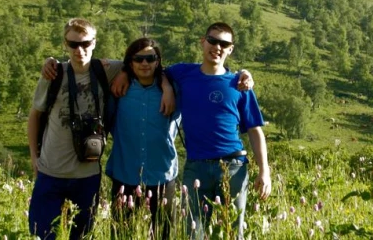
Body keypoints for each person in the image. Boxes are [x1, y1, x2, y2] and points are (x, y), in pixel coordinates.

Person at [113, 22, 271, 240]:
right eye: (213, 41)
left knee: (233, 231)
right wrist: (165, 86)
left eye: (224, 43)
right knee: (192, 232)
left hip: (233, 166)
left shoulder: (240, 84)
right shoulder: (183, 73)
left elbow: (255, 130)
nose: (217, 47)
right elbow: (155, 69)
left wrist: (265, 171)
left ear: (231, 49)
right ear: (203, 42)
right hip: (196, 167)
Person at [27, 18, 116, 240]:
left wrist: (165, 86)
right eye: (73, 44)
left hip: (87, 175)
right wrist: (33, 156)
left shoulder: (107, 70)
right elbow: (35, 116)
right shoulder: (53, 74)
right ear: (65, 45)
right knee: (41, 235)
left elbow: (145, 66)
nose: (80, 50)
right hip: (51, 171)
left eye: (85, 44)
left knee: (83, 236)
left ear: (94, 43)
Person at [105, 37, 179, 239]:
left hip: (162, 175)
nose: (144, 63)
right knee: (121, 235)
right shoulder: (118, 90)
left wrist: (243, 75)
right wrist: (53, 63)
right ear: (130, 62)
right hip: (125, 174)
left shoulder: (174, 90)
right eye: (138, 59)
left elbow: (204, 74)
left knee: (164, 234)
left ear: (158, 61)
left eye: (150, 58)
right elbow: (86, 62)